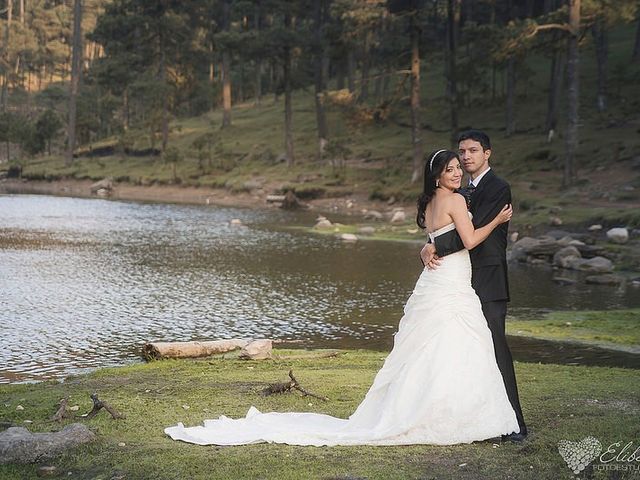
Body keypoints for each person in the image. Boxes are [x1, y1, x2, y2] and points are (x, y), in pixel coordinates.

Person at [164, 149, 520, 447]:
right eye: (450, 169)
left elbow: (440, 237)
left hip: (439, 280)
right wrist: (497, 219)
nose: (457, 172)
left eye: (458, 167)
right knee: (453, 343)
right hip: (451, 280)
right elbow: (470, 240)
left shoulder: (430, 203)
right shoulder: (455, 199)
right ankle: (450, 414)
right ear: (438, 175)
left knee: (435, 346)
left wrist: (428, 247)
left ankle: (437, 410)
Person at [421, 130, 528, 442]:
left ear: (487, 153)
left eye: (472, 151)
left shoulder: (498, 188)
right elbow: (452, 225)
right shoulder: (461, 190)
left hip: (488, 276)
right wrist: (428, 244)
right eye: (462, 152)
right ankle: (478, 416)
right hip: (461, 279)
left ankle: (516, 424)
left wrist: (435, 245)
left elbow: (472, 231)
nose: (466, 157)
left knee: (496, 347)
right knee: (468, 349)